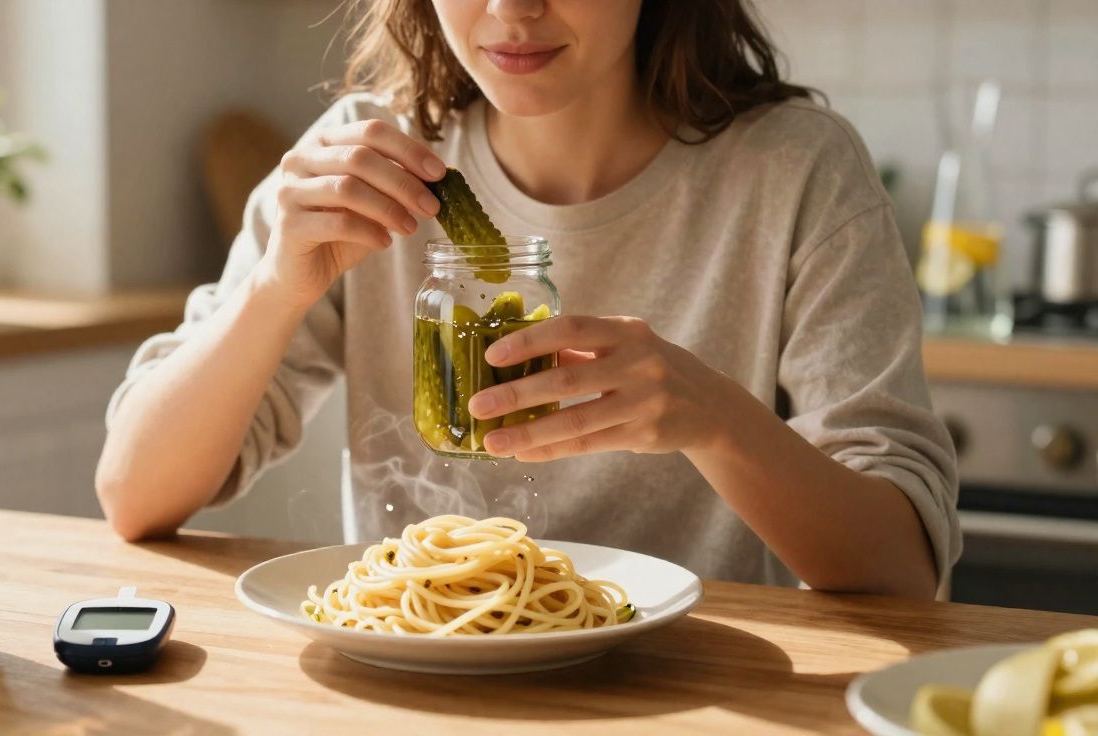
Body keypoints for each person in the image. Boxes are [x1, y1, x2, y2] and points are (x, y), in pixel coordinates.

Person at [96, 0, 959, 599]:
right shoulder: (364, 159)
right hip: (418, 681)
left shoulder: (798, 173)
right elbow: (133, 494)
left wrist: (717, 420)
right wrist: (271, 292)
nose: (513, 9)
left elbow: (902, 569)